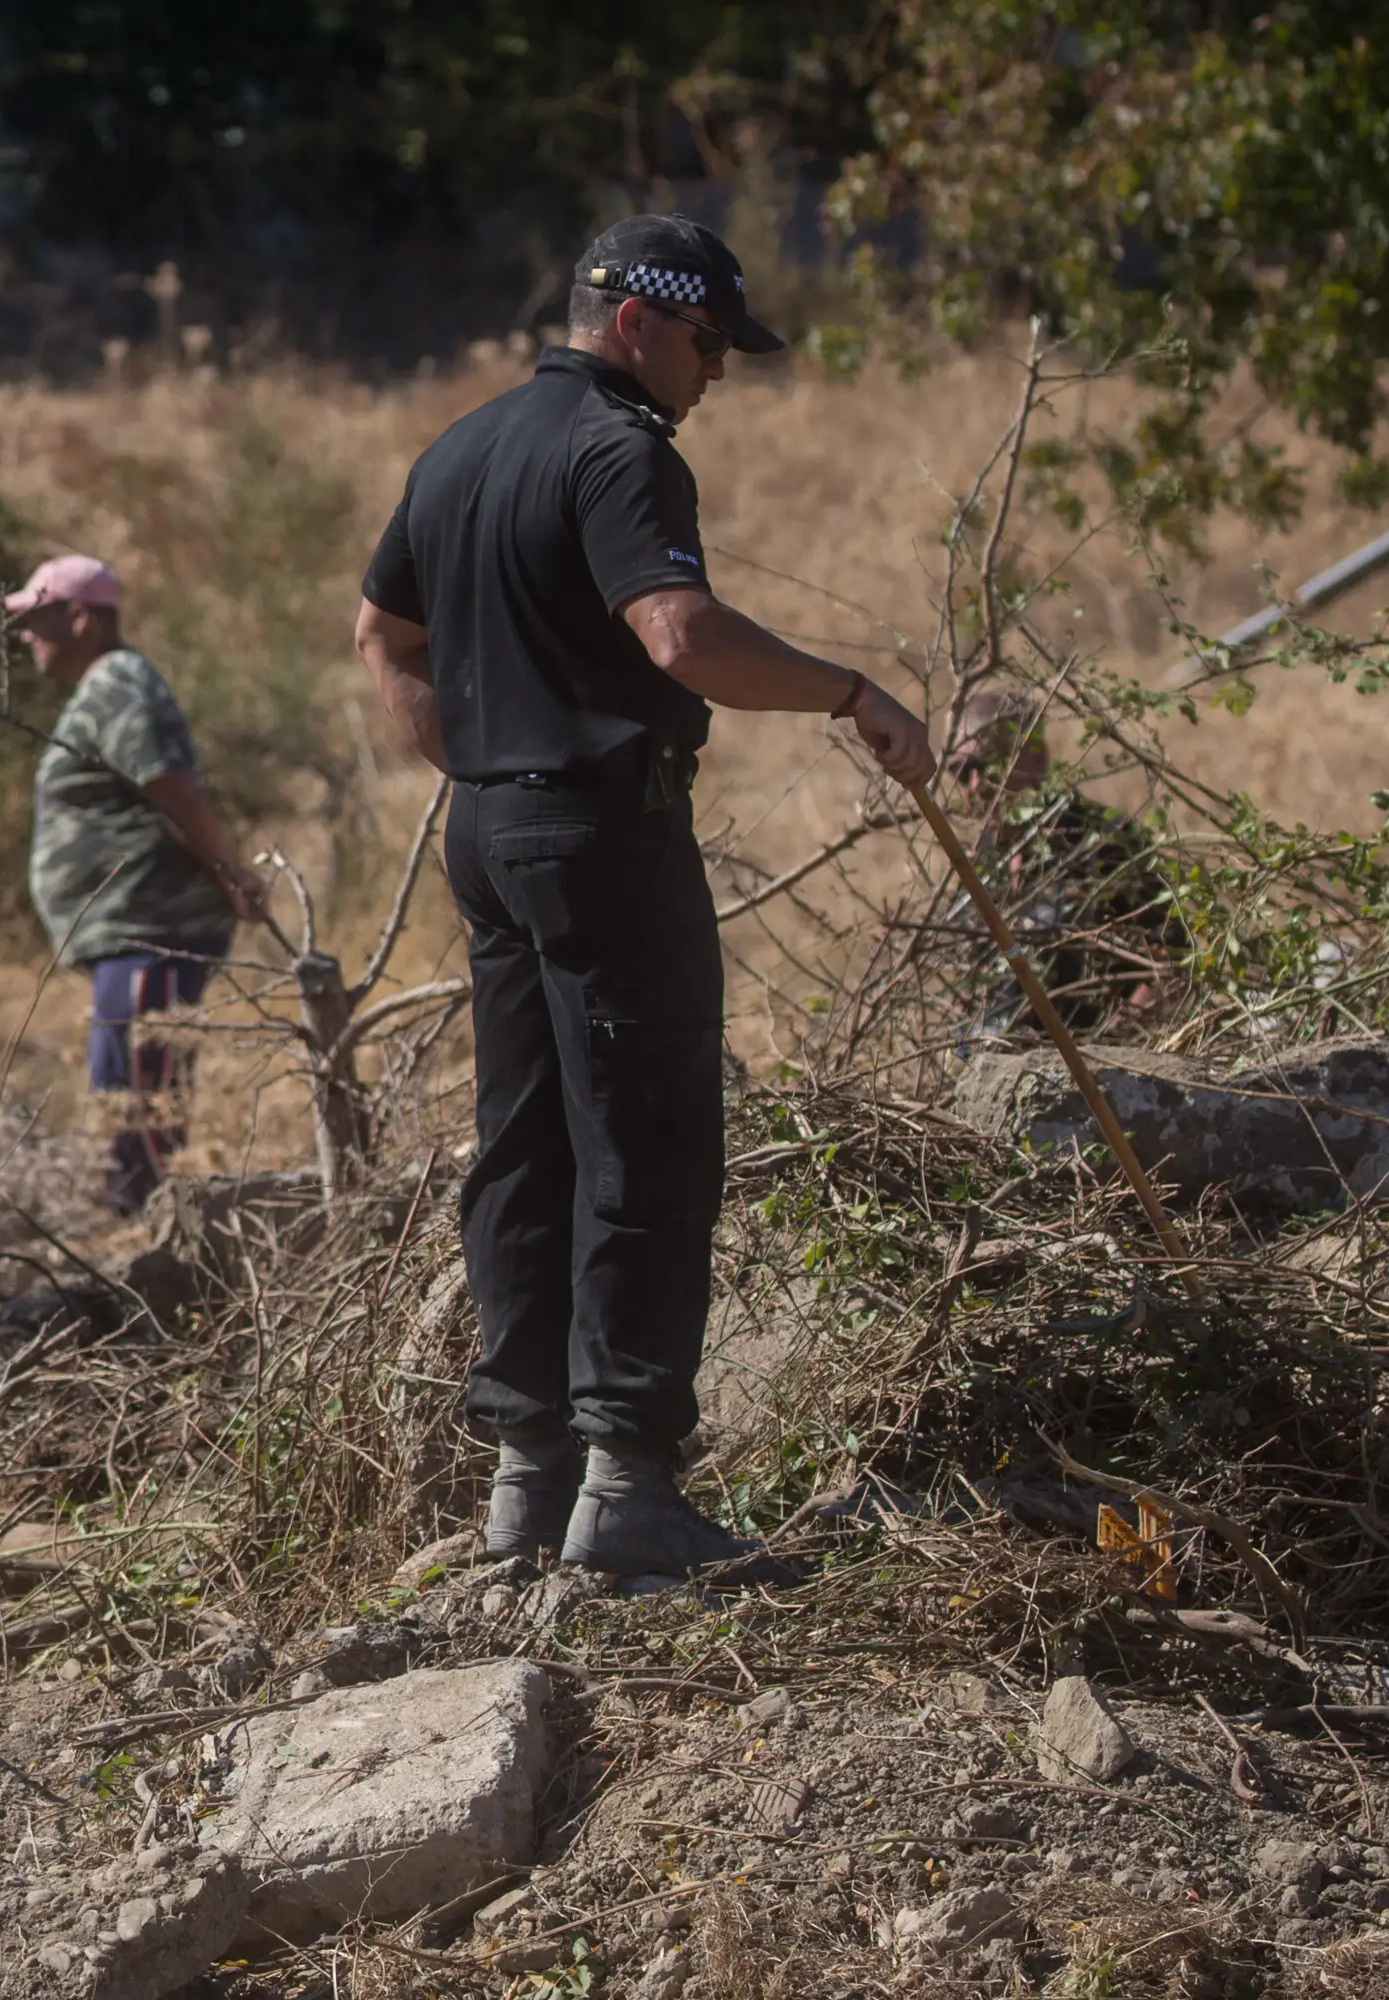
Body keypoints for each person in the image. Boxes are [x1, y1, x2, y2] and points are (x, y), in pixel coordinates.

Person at [352, 214, 939, 1578]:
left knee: (524, 1147)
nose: (719, 372)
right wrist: (854, 695)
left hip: (493, 833)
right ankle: (627, 1489)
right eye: (710, 340)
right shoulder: (621, 452)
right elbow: (678, 636)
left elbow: (384, 632)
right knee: (647, 1137)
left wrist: (483, 764)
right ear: (636, 322)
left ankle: (527, 1481)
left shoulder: (461, 448)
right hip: (601, 834)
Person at [8, 554, 269, 1213]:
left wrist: (232, 874)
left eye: (35, 619)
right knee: (127, 1113)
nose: (24, 636)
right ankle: (143, 1252)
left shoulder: (119, 679)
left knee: (141, 1125)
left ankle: (161, 1267)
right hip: (132, 939)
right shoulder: (105, 686)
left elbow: (170, 787)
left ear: (80, 617)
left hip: (154, 936)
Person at [945, 690, 1183, 1036]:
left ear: (1036, 759)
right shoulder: (984, 862)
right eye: (962, 773)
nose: (976, 785)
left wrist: (1109, 1048)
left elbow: (1172, 958)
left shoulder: (1099, 841)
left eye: (990, 764)